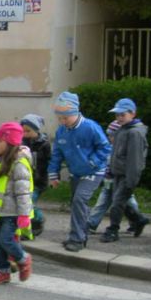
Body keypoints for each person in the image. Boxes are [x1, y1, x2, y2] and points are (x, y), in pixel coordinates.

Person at [47, 92, 112, 252]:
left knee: (79, 200)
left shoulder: (90, 127)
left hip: (93, 172)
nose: (62, 121)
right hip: (76, 173)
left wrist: (92, 162)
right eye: (59, 118)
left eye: (65, 117)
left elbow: (105, 147)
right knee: (77, 203)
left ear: (75, 113)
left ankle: (77, 238)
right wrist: (53, 174)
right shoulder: (61, 131)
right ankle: (80, 236)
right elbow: (57, 154)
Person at [0, 123, 35, 284]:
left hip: (12, 212)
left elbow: (23, 192)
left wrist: (24, 214)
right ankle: (3, 272)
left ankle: (23, 259)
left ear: (9, 143)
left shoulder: (18, 164)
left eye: (0, 141)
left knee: (5, 240)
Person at [98, 99, 150, 242]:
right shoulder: (122, 130)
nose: (119, 118)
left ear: (132, 114)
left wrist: (131, 180)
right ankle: (139, 219)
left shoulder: (135, 133)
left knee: (117, 203)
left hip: (128, 175)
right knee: (121, 202)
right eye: (117, 115)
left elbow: (135, 159)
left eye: (122, 115)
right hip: (118, 173)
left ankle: (113, 230)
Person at [87, 118, 143, 235]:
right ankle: (91, 223)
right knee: (101, 203)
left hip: (121, 181)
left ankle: (136, 222)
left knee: (129, 203)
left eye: (112, 136)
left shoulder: (122, 148)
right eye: (109, 135)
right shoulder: (107, 148)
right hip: (108, 181)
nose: (110, 138)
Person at [19, 114, 50, 237]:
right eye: (23, 131)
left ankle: (37, 219)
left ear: (36, 130)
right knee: (27, 203)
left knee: (29, 203)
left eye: (28, 131)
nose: (25, 133)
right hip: (26, 179)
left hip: (38, 181)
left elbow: (48, 162)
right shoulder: (22, 142)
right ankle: (29, 225)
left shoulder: (44, 144)